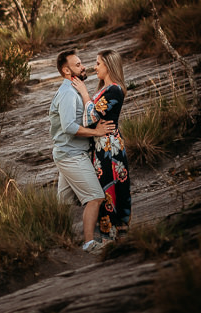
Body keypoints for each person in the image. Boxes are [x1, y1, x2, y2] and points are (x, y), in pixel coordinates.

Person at [49, 49, 114, 253]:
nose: (83, 66)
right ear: (66, 70)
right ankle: (89, 243)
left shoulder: (74, 90)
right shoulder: (68, 93)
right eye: (78, 65)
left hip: (66, 154)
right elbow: (69, 126)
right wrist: (96, 132)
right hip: (72, 155)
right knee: (95, 197)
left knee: (64, 204)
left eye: (81, 63)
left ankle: (58, 241)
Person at [70, 49, 131, 241]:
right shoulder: (104, 90)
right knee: (102, 189)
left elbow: (91, 117)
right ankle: (107, 235)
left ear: (108, 65)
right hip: (100, 147)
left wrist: (83, 92)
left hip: (109, 149)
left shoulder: (115, 90)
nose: (94, 67)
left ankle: (112, 236)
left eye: (98, 63)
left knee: (109, 189)